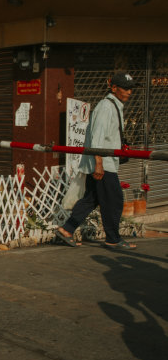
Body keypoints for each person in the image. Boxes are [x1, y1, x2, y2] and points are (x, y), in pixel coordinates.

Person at [56, 72, 138, 250]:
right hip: (102, 163)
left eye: (130, 89)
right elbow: (97, 138)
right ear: (114, 88)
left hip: (104, 161)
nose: (129, 92)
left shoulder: (115, 106)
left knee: (91, 199)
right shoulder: (106, 107)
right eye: (125, 88)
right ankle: (113, 239)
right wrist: (99, 164)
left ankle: (66, 230)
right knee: (114, 199)